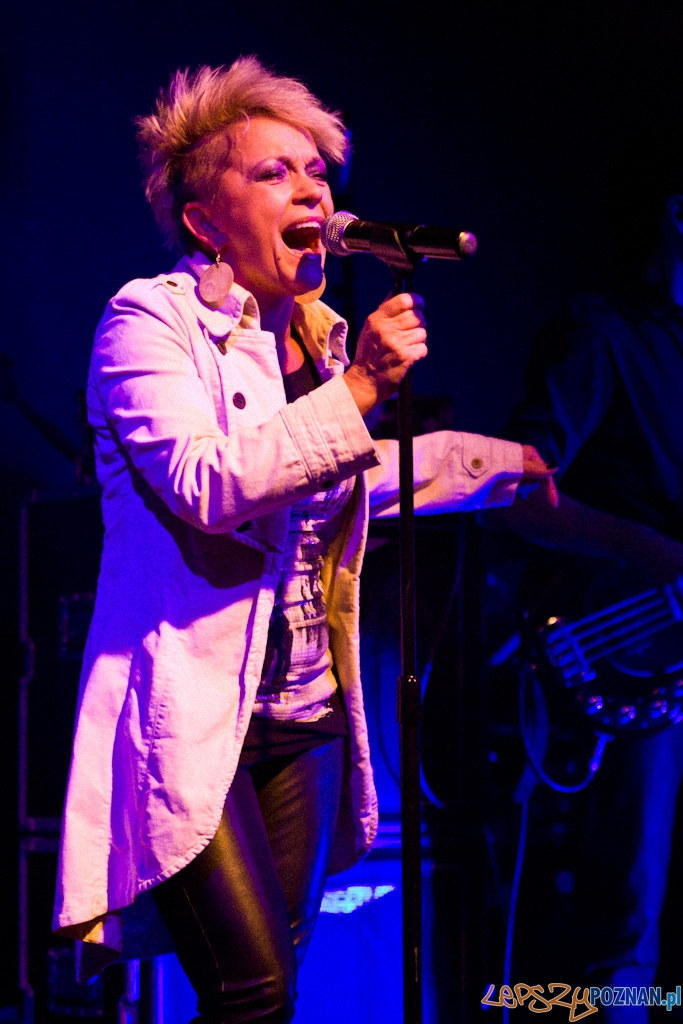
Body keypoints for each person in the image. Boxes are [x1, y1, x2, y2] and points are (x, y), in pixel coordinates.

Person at [52, 57, 554, 1024]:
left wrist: (504, 462)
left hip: (306, 715)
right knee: (252, 990)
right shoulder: (149, 322)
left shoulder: (321, 344)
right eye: (274, 172)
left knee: (269, 994)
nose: (311, 191)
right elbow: (210, 484)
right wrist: (361, 389)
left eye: (318, 173)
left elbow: (360, 479)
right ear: (206, 221)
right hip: (194, 715)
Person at [495, 135, 683, 1019]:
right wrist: (649, 550)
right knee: (622, 925)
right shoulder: (599, 332)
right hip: (628, 660)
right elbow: (514, 497)